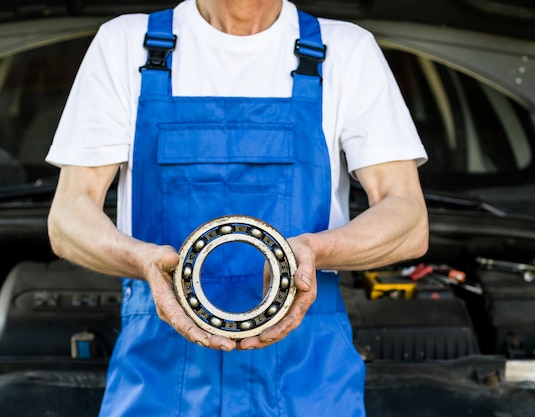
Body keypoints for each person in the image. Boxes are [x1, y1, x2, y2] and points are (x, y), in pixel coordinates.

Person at [46, 0, 429, 415]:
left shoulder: (346, 49)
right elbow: (69, 216)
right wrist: (143, 261)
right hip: (160, 365)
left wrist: (314, 252)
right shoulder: (126, 44)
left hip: (306, 369)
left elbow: (407, 217)